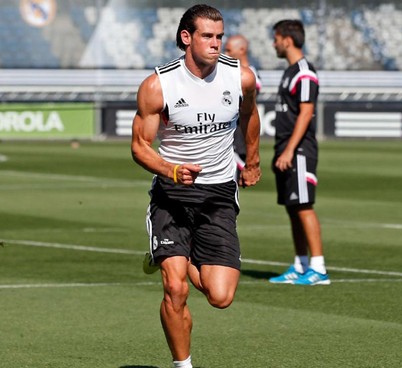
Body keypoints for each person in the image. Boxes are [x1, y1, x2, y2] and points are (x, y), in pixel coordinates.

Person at [130, 4, 261, 368]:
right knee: (176, 288)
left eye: (219, 36)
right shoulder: (159, 85)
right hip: (172, 194)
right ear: (187, 38)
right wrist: (170, 170)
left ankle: (168, 256)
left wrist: (252, 161)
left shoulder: (242, 78)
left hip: (219, 193)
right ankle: (182, 365)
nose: (216, 43)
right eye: (207, 36)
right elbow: (140, 147)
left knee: (220, 296)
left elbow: (250, 116)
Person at [268, 19, 329, 286]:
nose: (274, 44)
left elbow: (306, 113)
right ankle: (300, 264)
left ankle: (319, 268)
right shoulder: (290, 71)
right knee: (293, 207)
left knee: (304, 205)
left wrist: (290, 150)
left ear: (287, 40)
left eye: (276, 38)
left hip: (299, 149)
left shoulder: (304, 72)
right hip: (286, 148)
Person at [224, 34, 262, 180]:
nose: (225, 54)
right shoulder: (230, 72)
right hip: (229, 135)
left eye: (228, 50)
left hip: (239, 136)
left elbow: (246, 102)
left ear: (241, 50)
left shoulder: (250, 75)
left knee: (231, 182)